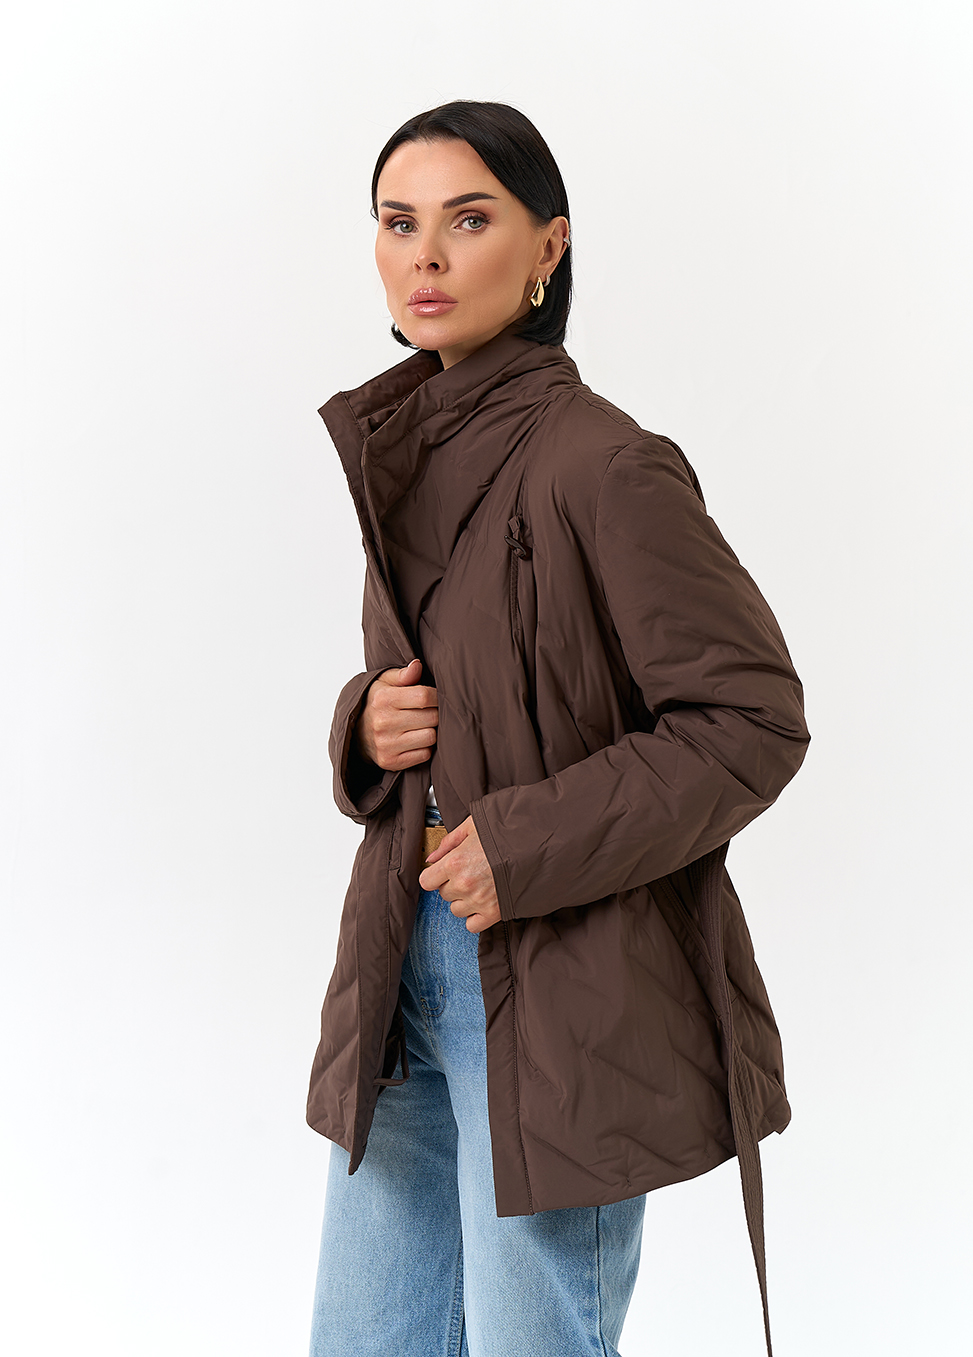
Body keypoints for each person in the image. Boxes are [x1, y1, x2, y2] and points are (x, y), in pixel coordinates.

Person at [307, 100, 809, 1357]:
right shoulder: (406, 450)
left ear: (547, 247)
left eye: (467, 220)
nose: (425, 255)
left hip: (559, 985)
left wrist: (521, 845)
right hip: (402, 958)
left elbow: (750, 719)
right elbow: (469, 699)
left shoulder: (605, 463)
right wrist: (364, 728)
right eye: (397, 222)